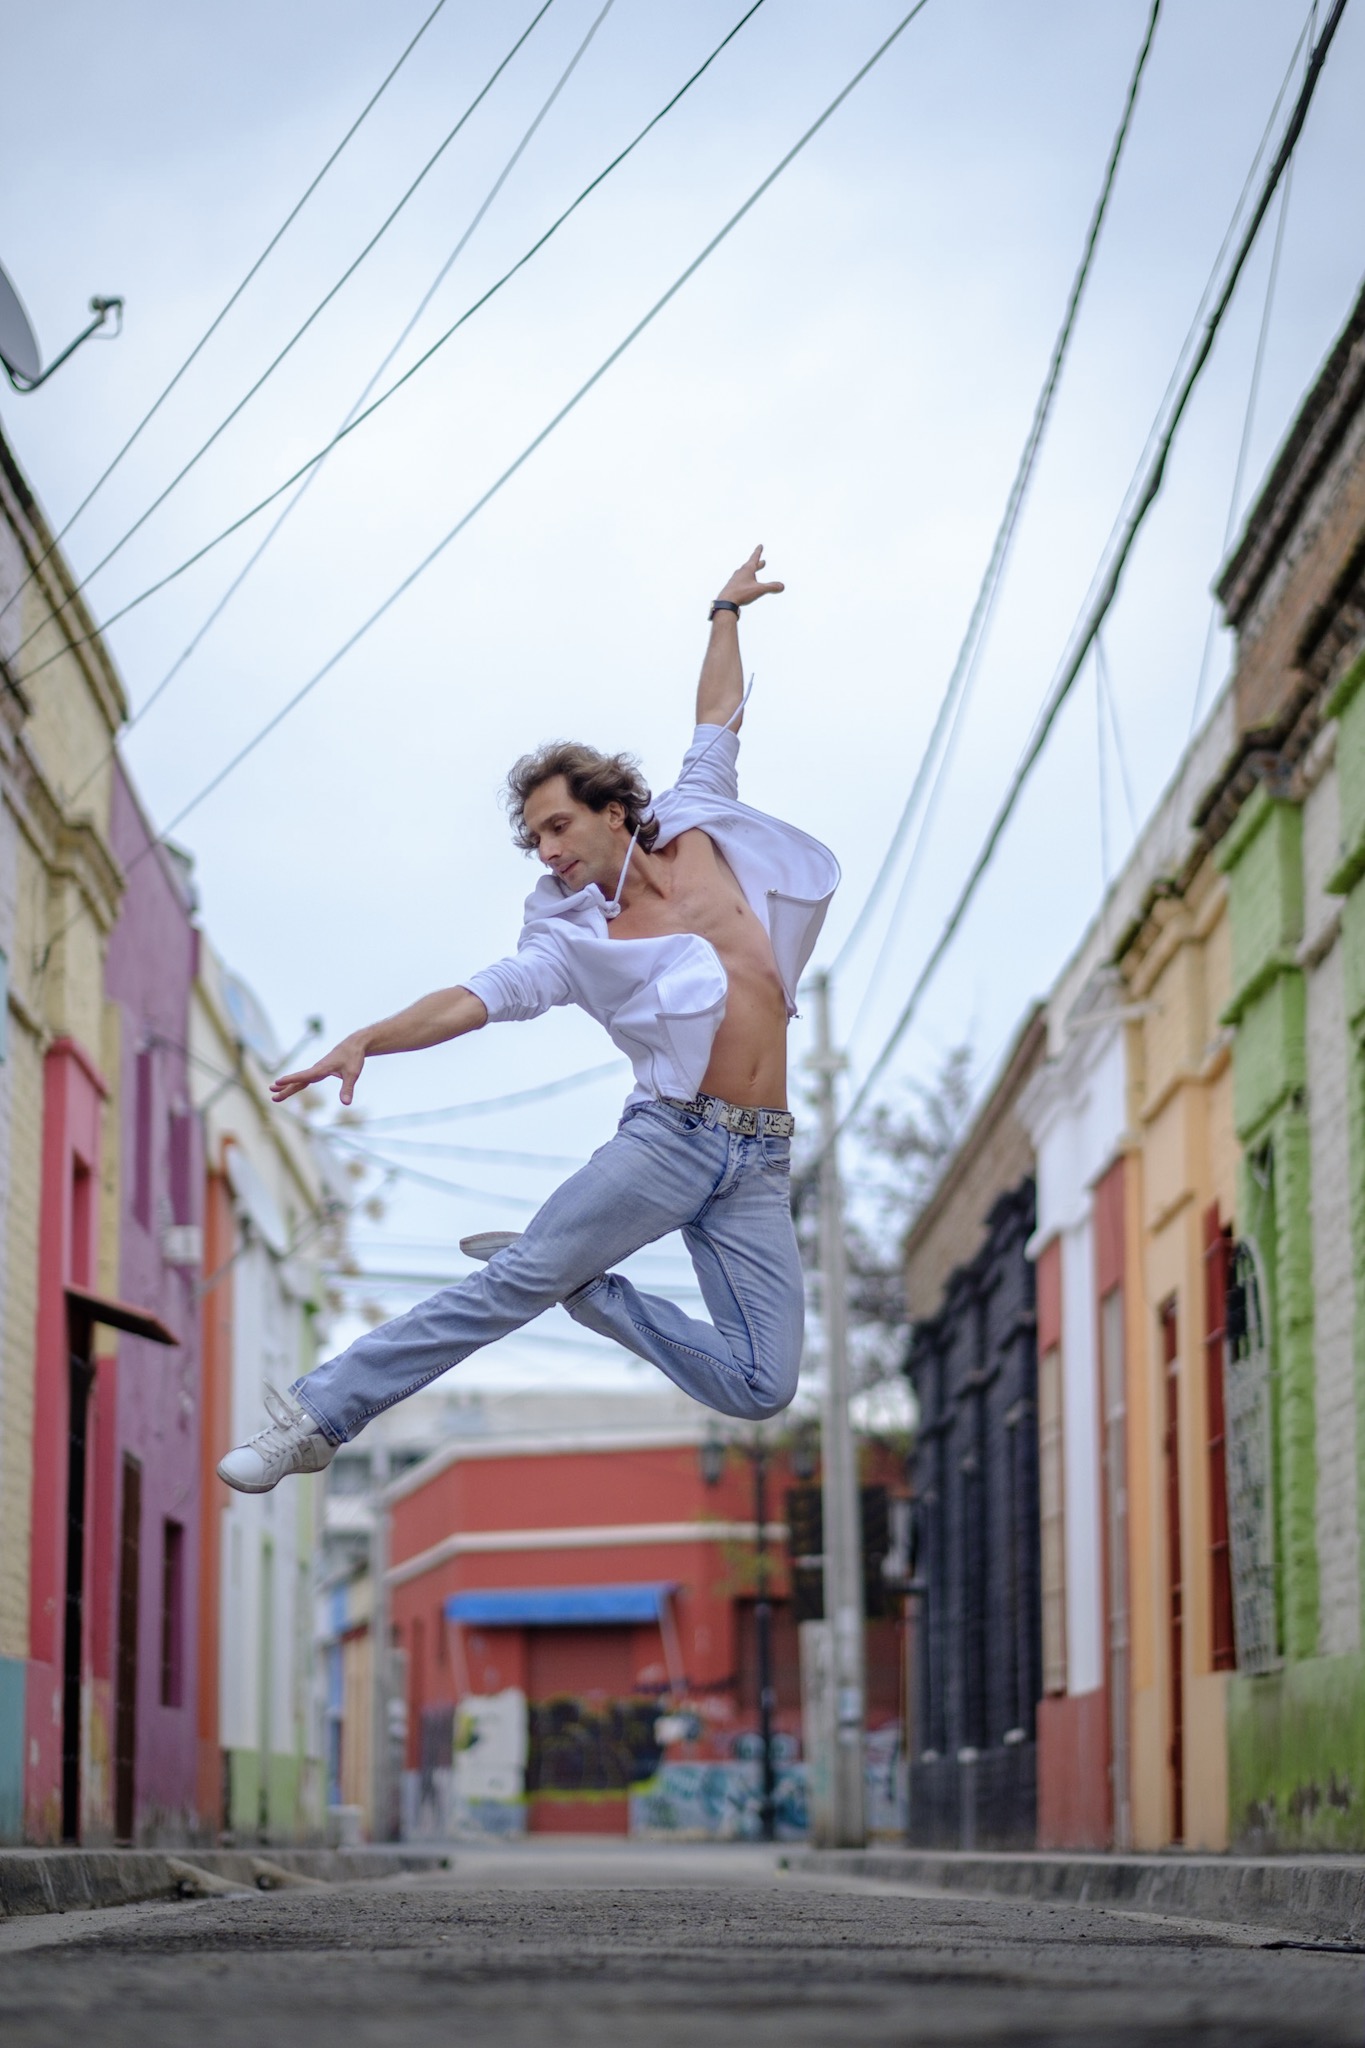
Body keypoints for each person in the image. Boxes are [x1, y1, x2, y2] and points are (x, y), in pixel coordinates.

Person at [217, 547, 839, 1493]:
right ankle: (314, 1418)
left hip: (759, 1158)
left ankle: (583, 1286)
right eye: (534, 839)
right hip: (669, 1141)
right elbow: (477, 998)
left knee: (762, 1385)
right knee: (510, 1288)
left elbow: (718, 718)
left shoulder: (700, 823)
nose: (545, 852)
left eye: (557, 828)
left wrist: (723, 610)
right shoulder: (568, 933)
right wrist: (370, 1038)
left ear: (616, 809)